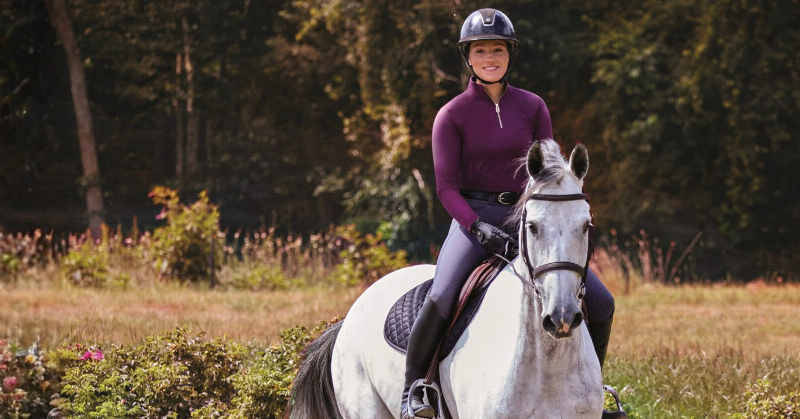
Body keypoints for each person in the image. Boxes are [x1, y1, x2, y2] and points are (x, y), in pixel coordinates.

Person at [400, 8, 625, 419]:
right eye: (481, 50)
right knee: (442, 294)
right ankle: (415, 388)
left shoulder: (533, 107)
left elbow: (551, 171)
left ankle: (592, 388)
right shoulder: (451, 115)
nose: (490, 58)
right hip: (473, 219)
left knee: (601, 301)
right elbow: (446, 187)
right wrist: (476, 226)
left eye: (498, 50)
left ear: (510, 55)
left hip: (530, 218)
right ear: (468, 56)